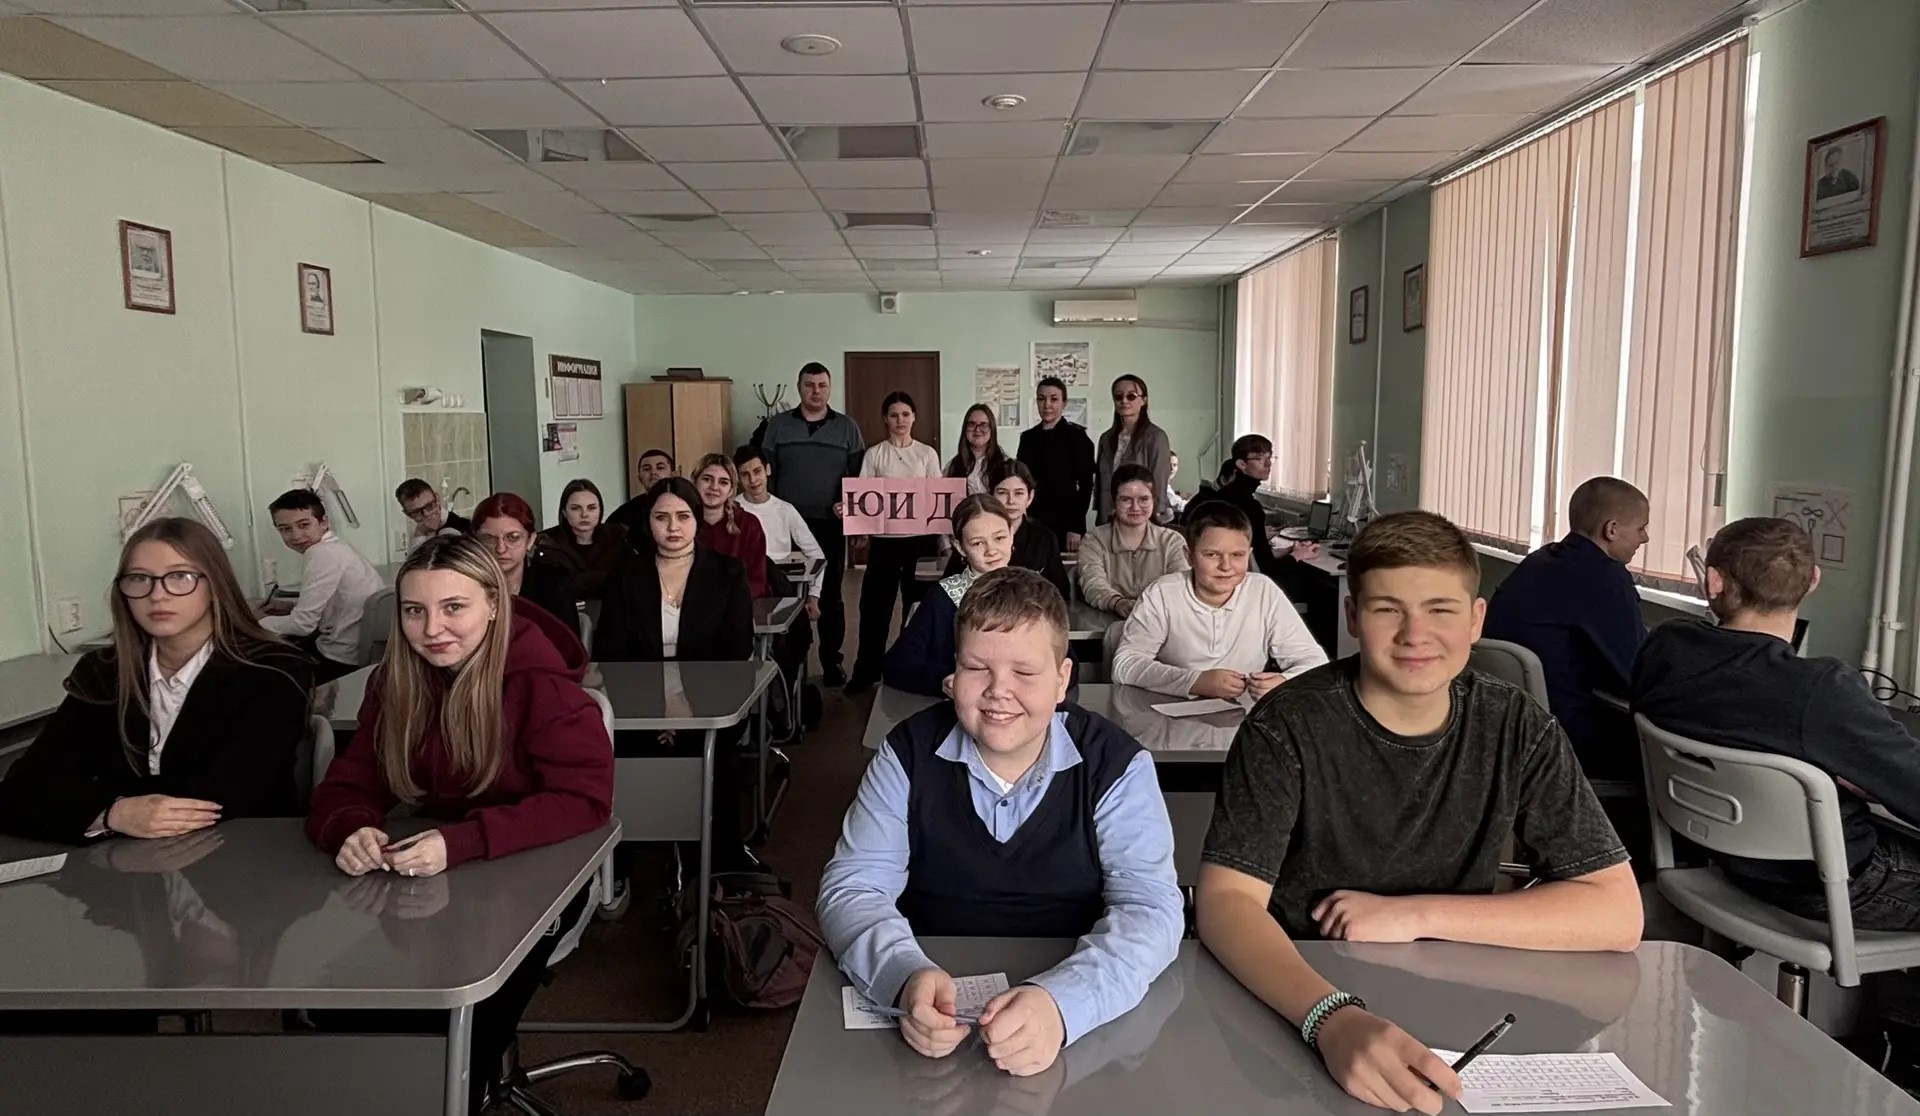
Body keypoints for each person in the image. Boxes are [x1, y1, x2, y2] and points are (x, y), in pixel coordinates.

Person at [1197, 510, 1641, 1116]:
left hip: (1451, 998)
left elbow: (1616, 914)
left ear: (1476, 620)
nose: (1415, 634)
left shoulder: (1516, 725)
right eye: (1388, 609)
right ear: (1352, 616)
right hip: (1293, 990)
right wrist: (1330, 1017)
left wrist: (1412, 914)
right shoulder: (1287, 725)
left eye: (1440, 609)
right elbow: (1226, 902)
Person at [819, 567, 1182, 1076]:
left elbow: (1151, 908)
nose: (998, 691)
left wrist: (1064, 1004)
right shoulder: (906, 753)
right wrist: (903, 975)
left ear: (1062, 680)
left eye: (1025, 673)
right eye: (976, 668)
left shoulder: (1117, 765)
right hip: (933, 996)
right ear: (952, 674)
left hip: (1077, 1013)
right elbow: (854, 886)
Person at [306, 533, 613, 1103]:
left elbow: (584, 799)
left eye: (453, 607)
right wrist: (350, 827)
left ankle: (462, 1088)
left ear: (493, 604)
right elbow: (349, 783)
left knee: (458, 1033)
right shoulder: (395, 681)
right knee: (337, 1008)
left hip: (532, 875)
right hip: (428, 878)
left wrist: (463, 842)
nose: (432, 629)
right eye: (414, 611)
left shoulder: (542, 685)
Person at [1633, 516, 1920, 925]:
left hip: (1721, 856)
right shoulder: (1822, 688)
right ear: (1813, 580)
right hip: (1828, 885)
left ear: (1713, 581)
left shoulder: (1666, 646)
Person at [0, 518, 313, 844]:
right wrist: (115, 813)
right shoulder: (104, 671)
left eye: (180, 576)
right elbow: (21, 788)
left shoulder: (273, 669)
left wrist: (95, 798)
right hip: (122, 857)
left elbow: (229, 796)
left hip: (239, 853)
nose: (157, 595)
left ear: (215, 584)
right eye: (139, 579)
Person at [592, 477, 757, 869]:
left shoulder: (727, 572)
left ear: (697, 520)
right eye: (661, 517)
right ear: (647, 522)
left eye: (683, 517)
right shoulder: (626, 575)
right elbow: (612, 654)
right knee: (625, 753)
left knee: (713, 757)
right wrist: (659, 714)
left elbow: (734, 652)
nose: (673, 527)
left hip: (709, 701)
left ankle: (718, 864)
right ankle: (630, 862)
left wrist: (685, 713)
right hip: (639, 705)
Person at [1483, 477, 1649, 779]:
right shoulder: (1605, 579)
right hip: (1570, 735)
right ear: (1611, 530)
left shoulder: (1539, 561)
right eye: (1641, 528)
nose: (1645, 538)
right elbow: (1634, 676)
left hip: (1511, 726)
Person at [1112, 503, 1327, 701]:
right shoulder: (1163, 594)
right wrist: (1195, 681)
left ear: (1249, 555)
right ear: (1189, 556)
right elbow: (1125, 664)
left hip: (1245, 717)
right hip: (1170, 715)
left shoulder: (1263, 591)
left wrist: (1284, 682)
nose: (1226, 566)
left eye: (1237, 555)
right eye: (1212, 555)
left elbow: (1315, 662)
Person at [759, 362, 867, 686]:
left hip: (828, 525)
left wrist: (854, 519)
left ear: (829, 388)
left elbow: (859, 482)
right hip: (786, 526)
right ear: (799, 387)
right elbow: (767, 475)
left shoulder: (847, 428)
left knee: (830, 596)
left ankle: (831, 662)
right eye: (809, 385)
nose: (815, 391)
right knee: (784, 594)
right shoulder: (777, 426)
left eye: (821, 385)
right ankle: (788, 667)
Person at [847, 392, 944, 695]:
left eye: (905, 414)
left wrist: (944, 542)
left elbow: (938, 501)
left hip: (920, 543)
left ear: (914, 417)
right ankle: (866, 672)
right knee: (874, 608)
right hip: (885, 544)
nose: (900, 420)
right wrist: (859, 529)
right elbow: (864, 498)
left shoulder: (927, 454)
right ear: (885, 419)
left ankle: (911, 669)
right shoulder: (875, 455)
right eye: (893, 415)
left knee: (918, 607)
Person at [882, 495, 1013, 697]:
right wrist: (943, 680)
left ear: (1012, 534)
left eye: (1000, 538)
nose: (991, 550)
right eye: (978, 543)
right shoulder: (943, 597)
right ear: (960, 547)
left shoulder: (1035, 592)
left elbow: (1061, 661)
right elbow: (897, 664)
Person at [260, 488, 384, 682]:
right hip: (358, 649)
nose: (296, 535)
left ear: (323, 522)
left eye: (303, 525)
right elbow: (331, 605)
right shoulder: (336, 546)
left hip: (341, 659)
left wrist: (255, 623)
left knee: (266, 671)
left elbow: (303, 625)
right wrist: (290, 607)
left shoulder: (320, 553)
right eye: (285, 529)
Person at [1188, 434, 1319, 596]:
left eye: (1270, 458)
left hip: (1218, 580)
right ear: (1241, 464)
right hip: (1249, 586)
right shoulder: (1248, 507)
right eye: (1259, 458)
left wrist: (1289, 550)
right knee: (1316, 585)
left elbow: (1255, 555)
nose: (1268, 464)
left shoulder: (1221, 496)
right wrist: (1298, 556)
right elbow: (1267, 570)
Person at [943, 462, 1069, 602]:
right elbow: (948, 587)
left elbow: (1060, 591)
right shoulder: (974, 533)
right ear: (991, 495)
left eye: (1019, 493)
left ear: (1030, 497)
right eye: (1002, 493)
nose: (1011, 501)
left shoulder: (1044, 538)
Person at [1077, 465, 1189, 618]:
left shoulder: (1172, 542)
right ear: (1114, 501)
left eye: (1144, 499)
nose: (1135, 507)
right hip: (1105, 623)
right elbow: (1093, 583)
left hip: (1161, 622)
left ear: (1154, 500)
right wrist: (1117, 603)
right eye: (1126, 500)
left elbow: (1179, 587)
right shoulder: (1094, 540)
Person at [734, 443, 826, 620]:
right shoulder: (733, 510)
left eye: (757, 471)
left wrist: (814, 596)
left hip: (782, 584)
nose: (753, 480)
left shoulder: (785, 510)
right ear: (738, 478)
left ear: (767, 470)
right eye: (745, 474)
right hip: (746, 585)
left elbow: (816, 554)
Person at [474, 492, 578, 626]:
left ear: (530, 540)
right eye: (489, 539)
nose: (500, 549)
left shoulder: (555, 583)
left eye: (513, 537)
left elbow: (565, 638)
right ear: (475, 541)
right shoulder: (463, 583)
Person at [1016, 376, 1096, 551]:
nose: (1047, 405)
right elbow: (1021, 481)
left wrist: (1076, 527)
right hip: (1033, 520)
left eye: (1054, 399)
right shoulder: (1028, 439)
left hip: (1066, 523)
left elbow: (1086, 486)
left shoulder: (1077, 438)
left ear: (1064, 403)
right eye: (1041, 399)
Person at [691, 453, 773, 599]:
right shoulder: (680, 522)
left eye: (723, 482)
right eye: (707, 479)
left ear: (731, 490)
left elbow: (757, 582)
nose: (714, 487)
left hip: (738, 603)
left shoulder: (749, 524)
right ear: (695, 482)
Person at [1095, 375, 1172, 525]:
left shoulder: (1156, 437)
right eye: (1118, 396)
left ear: (1143, 400)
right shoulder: (1106, 438)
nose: (1124, 401)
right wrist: (1100, 512)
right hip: (1109, 514)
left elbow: (1159, 480)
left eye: (1131, 396)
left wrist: (1155, 516)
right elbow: (1100, 481)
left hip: (1140, 514)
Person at [538, 479, 630, 601]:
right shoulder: (547, 542)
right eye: (576, 508)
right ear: (564, 512)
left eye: (591, 508)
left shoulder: (619, 537)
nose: (584, 514)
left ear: (600, 510)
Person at [606, 449, 679, 534]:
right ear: (639, 477)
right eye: (647, 469)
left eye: (660, 468)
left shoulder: (686, 504)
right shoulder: (625, 512)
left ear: (674, 475)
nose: (653, 472)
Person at [946, 404, 1010, 496]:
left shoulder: (1005, 463)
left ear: (992, 429)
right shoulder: (953, 466)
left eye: (984, 425)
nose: (977, 430)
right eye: (972, 425)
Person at [395, 478, 471, 541]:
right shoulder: (421, 532)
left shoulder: (458, 530)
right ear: (408, 514)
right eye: (417, 512)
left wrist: (419, 535)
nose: (426, 514)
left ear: (437, 498)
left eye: (429, 506)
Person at [1165, 451, 1189, 518]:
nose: (1172, 469)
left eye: (1174, 465)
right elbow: (1178, 506)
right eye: (1168, 465)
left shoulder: (1166, 485)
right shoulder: (1162, 486)